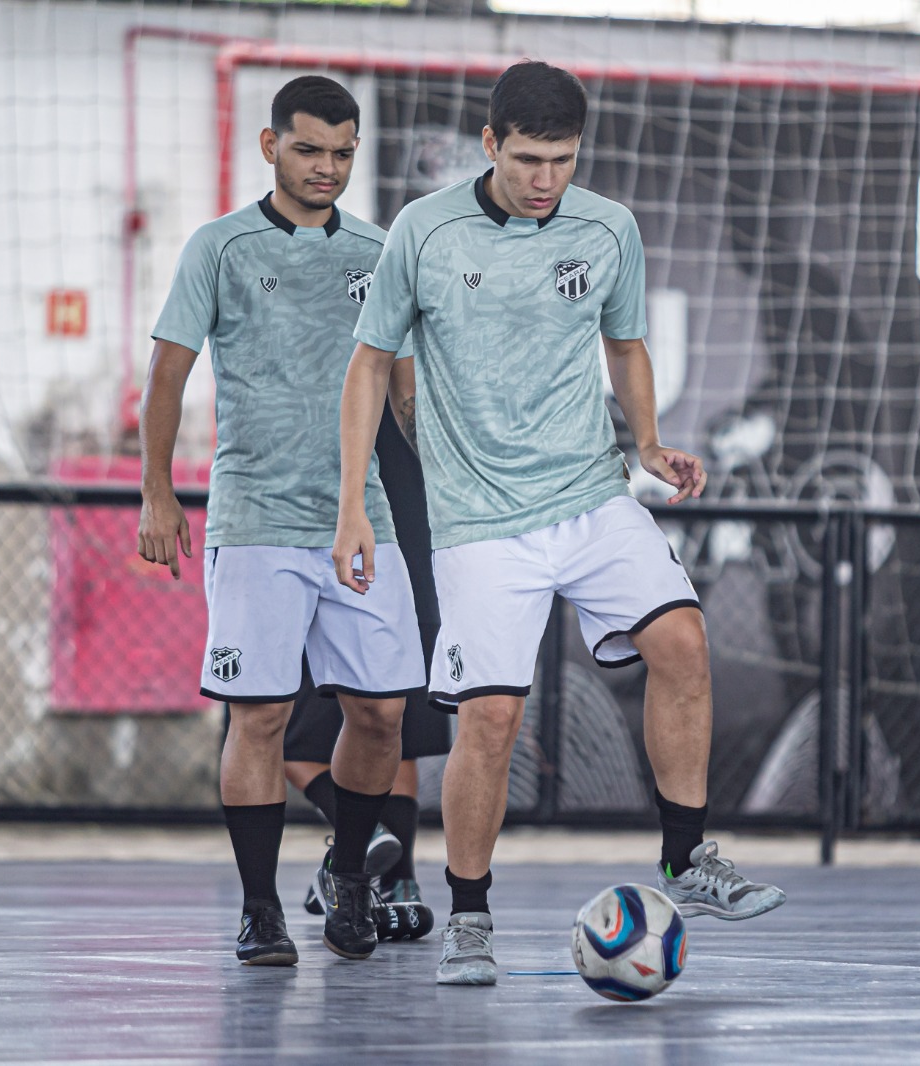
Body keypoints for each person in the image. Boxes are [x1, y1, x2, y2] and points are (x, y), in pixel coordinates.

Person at [334, 61, 786, 986]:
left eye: (565, 161)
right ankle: (469, 917)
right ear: (490, 143)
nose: (547, 180)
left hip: (590, 495)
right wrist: (354, 505)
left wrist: (652, 444)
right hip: (480, 522)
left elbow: (626, 343)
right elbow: (369, 366)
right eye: (530, 159)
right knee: (492, 721)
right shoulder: (423, 231)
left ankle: (686, 857)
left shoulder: (607, 228)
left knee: (685, 643)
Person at [137, 75, 424, 967]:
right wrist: (157, 490)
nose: (327, 167)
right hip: (255, 518)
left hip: (360, 523)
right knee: (258, 717)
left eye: (342, 152)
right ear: (271, 148)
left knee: (381, 713)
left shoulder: (381, 253)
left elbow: (410, 398)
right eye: (308, 149)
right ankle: (260, 909)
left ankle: (347, 880)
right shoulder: (218, 247)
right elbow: (169, 375)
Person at [283, 396, 448, 939]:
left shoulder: (380, 358)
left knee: (379, 721)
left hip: (373, 538)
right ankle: (385, 869)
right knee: (386, 722)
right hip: (369, 534)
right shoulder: (392, 375)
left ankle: (363, 849)